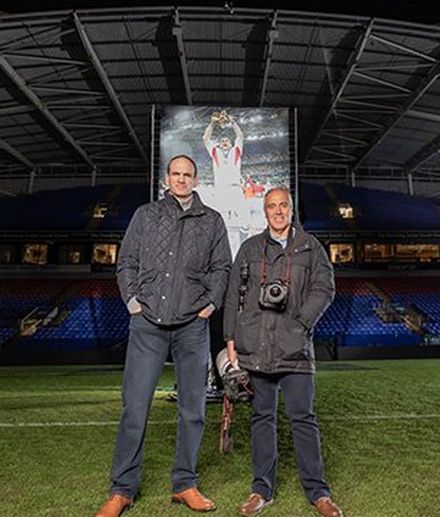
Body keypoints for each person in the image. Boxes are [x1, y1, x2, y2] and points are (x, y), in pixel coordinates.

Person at [94, 155, 232, 517]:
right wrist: (132, 302)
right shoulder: (145, 215)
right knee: (135, 408)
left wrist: (210, 305)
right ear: (167, 178)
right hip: (147, 324)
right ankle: (122, 489)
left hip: (192, 326)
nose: (182, 180)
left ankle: (184, 484)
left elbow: (222, 268)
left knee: (194, 409)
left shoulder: (212, 221)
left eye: (188, 175)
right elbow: (126, 262)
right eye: (176, 174)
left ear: (196, 179)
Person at [223, 187, 342, 517]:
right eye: (272, 206)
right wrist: (230, 336)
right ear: (264, 212)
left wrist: (302, 323)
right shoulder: (249, 248)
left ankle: (318, 492)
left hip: (295, 349)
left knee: (303, 418)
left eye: (283, 206)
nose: (278, 211)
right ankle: (262, 490)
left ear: (291, 210)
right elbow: (233, 295)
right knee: (262, 418)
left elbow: (325, 288)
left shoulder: (309, 246)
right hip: (255, 346)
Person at [203, 110, 250, 253]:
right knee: (219, 221)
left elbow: (240, 136)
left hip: (235, 189)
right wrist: (212, 123)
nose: (224, 143)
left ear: (230, 144)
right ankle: (218, 251)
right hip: (221, 190)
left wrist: (232, 122)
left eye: (227, 141)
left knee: (245, 220)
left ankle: (244, 247)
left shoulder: (236, 151)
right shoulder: (215, 152)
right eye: (222, 141)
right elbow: (205, 138)